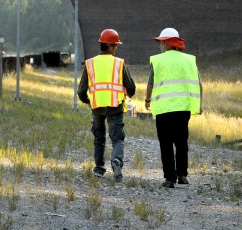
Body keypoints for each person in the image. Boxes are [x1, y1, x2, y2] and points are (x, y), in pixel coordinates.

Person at [144, 27, 202, 188]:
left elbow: (150, 83)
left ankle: (170, 178)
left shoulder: (158, 60)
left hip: (164, 109)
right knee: (182, 141)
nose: (160, 46)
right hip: (183, 108)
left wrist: (147, 100)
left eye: (162, 42)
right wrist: (199, 104)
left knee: (166, 143)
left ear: (168, 43)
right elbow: (198, 83)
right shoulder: (189, 60)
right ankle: (182, 174)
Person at [79, 28, 136, 182]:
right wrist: (127, 95)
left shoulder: (90, 63)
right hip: (115, 106)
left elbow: (81, 91)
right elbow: (131, 88)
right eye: (115, 46)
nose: (116, 49)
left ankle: (99, 168)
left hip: (97, 107)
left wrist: (89, 102)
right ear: (110, 46)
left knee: (99, 138)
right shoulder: (119, 63)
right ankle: (116, 161)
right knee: (117, 138)